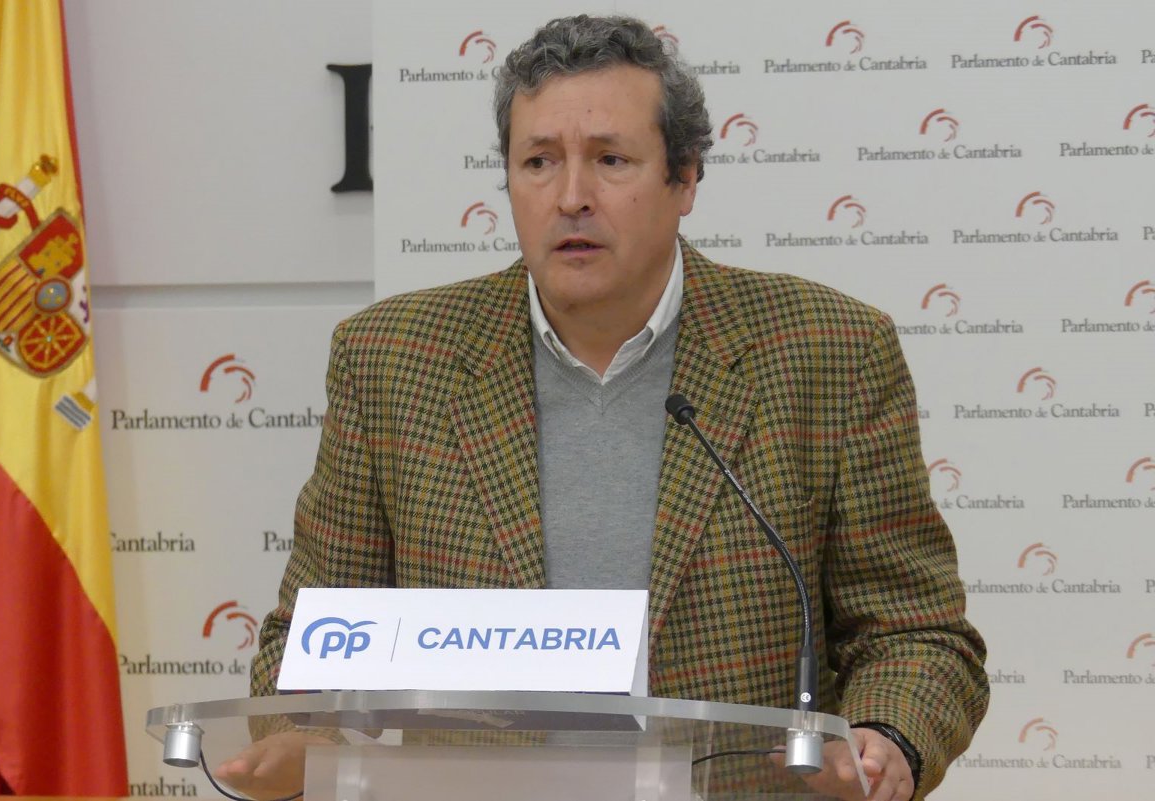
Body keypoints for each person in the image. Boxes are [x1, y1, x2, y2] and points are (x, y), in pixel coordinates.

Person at [218, 15, 987, 801]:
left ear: (685, 179)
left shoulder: (829, 352)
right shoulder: (393, 360)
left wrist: (886, 738)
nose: (571, 197)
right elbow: (309, 639)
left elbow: (914, 630)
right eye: (539, 162)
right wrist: (302, 733)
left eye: (611, 160)